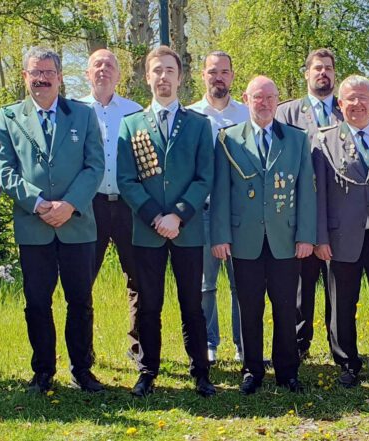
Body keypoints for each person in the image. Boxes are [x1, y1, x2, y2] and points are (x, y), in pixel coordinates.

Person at [0, 46, 105, 394]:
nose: (41, 79)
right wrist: (39, 203)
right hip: (34, 225)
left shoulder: (83, 114)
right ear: (25, 76)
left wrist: (69, 205)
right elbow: (3, 169)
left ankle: (82, 369)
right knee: (38, 302)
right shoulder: (9, 117)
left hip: (76, 224)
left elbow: (95, 166)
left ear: (59, 77)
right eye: (35, 73)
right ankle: (43, 371)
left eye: (48, 73)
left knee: (80, 301)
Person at [116, 45, 216, 397]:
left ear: (180, 77)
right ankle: (147, 371)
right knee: (148, 304)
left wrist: (178, 215)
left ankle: (201, 371)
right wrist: (156, 216)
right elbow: (126, 179)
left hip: (186, 229)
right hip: (148, 230)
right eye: (157, 71)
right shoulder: (131, 125)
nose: (163, 77)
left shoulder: (199, 125)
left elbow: (205, 176)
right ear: (147, 77)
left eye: (169, 71)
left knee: (193, 304)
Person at [211, 75, 316, 395]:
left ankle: (287, 371)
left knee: (286, 308)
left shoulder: (296, 139)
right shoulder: (229, 139)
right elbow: (221, 191)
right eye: (258, 97)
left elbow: (306, 191)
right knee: (249, 307)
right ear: (246, 99)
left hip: (286, 238)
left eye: (271, 97)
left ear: (278, 100)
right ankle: (252, 370)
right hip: (244, 238)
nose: (265, 103)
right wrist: (220, 235)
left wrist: (306, 235)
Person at [313, 74, 369, 387]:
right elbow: (319, 195)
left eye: (363, 97)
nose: (357, 103)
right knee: (341, 306)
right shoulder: (325, 140)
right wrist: (320, 237)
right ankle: (347, 364)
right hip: (341, 238)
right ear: (340, 103)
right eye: (350, 97)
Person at [76, 48, 144, 364]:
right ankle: (84, 352)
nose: (103, 69)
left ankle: (139, 348)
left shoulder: (134, 112)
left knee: (139, 279)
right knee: (82, 280)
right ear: (87, 74)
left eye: (109, 65)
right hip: (89, 206)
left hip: (129, 205)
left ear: (119, 74)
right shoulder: (74, 111)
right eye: (97, 65)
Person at [275, 48, 340, 359]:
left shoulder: (348, 109)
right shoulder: (287, 113)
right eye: (317, 68)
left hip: (338, 215)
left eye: (328, 68)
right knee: (301, 286)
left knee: (337, 288)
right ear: (306, 74)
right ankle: (299, 346)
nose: (323, 73)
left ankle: (339, 347)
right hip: (299, 213)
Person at [186, 51, 251, 363]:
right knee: (205, 284)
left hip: (239, 212)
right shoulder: (190, 115)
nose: (218, 77)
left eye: (224, 72)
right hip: (203, 210)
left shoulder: (246, 114)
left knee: (242, 283)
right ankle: (209, 343)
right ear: (203, 75)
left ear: (232, 76)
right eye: (212, 72)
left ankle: (243, 345)